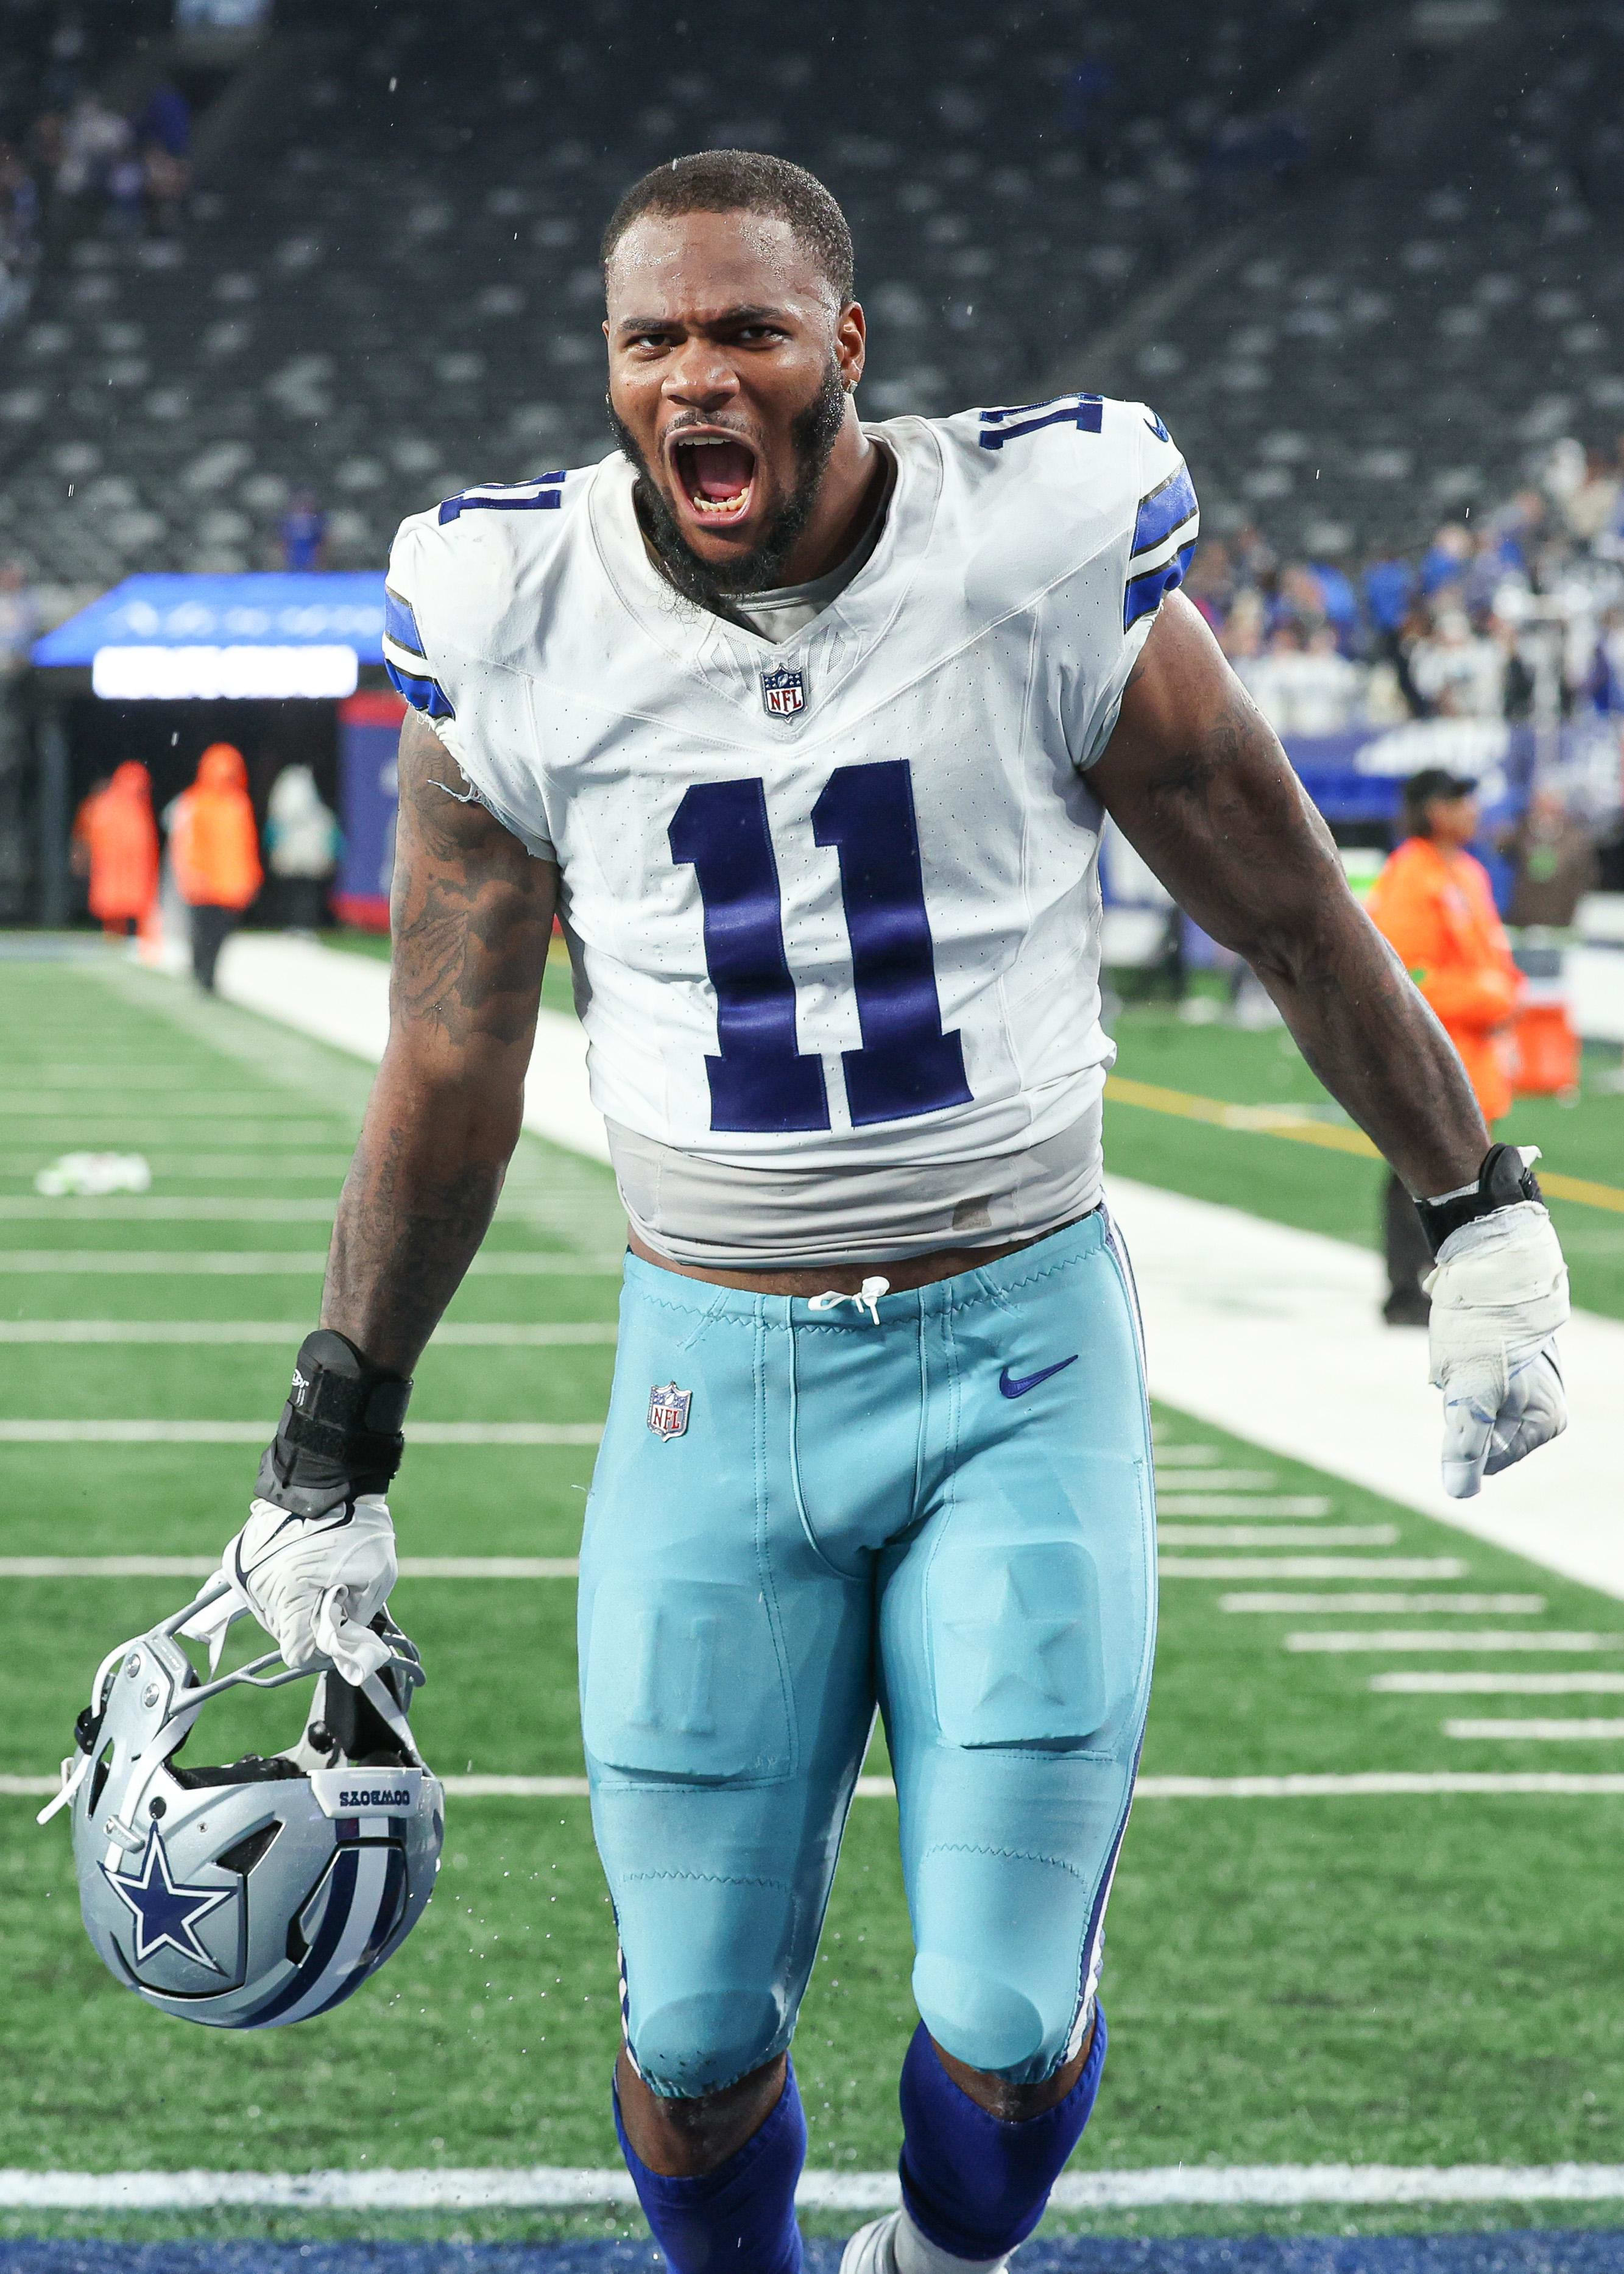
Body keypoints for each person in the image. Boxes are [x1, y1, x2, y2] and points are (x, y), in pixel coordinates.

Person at [213, 154, 1569, 2274]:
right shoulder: (516, 612)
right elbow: (453, 1060)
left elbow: (1296, 916)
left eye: (745, 328)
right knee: (682, 2030)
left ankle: (942, 2264)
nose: (694, 375)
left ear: (844, 343)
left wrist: (1471, 1204)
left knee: (1006, 2021)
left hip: (1008, 1347)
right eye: (649, 338)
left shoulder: (1028, 556)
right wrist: (334, 1432)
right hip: (709, 1374)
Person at [1366, 769, 1523, 1324]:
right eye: (1459, 800)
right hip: (1434, 1050)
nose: (1472, 810)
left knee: (1462, 1171)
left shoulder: (1471, 873)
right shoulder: (1411, 874)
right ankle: (1405, 1287)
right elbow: (1406, 976)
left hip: (1475, 1054)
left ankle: (1449, 1279)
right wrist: (1486, 996)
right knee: (1418, 1169)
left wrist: (1503, 995)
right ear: (1433, 809)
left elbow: (1493, 962)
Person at [168, 742, 261, 990]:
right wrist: (190, 875)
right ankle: (201, 972)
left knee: (220, 934)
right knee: (201, 933)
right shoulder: (195, 801)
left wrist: (249, 877)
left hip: (229, 885)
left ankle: (209, 974)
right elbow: (185, 844)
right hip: (203, 883)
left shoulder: (239, 804)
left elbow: (246, 845)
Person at [74, 760, 159, 937]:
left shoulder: (138, 808)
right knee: (114, 910)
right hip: (113, 869)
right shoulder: (105, 807)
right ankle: (115, 936)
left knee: (135, 908)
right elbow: (85, 835)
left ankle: (138, 937)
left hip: (132, 871)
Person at [264, 762, 339, 932]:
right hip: (300, 857)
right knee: (300, 892)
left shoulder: (318, 815)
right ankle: (298, 925)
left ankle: (299, 925)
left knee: (301, 892)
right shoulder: (319, 814)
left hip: (299, 857)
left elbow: (331, 836)